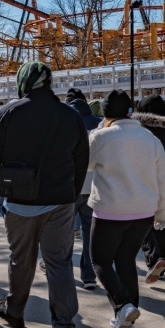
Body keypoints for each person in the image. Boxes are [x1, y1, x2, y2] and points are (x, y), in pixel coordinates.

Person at [0, 61, 89, 328]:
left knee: (20, 258)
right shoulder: (71, 115)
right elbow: (81, 160)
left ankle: (14, 311)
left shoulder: (8, 112)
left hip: (20, 200)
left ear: (23, 82)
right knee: (59, 263)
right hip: (61, 202)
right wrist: (71, 195)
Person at [88, 90, 165, 328]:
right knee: (125, 261)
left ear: (106, 113)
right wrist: (162, 214)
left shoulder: (101, 137)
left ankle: (123, 305)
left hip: (110, 210)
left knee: (100, 260)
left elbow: (85, 164)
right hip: (144, 212)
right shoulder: (150, 138)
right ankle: (127, 318)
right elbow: (162, 179)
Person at [134, 93, 165, 283]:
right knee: (164, 223)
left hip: (147, 179)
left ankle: (154, 259)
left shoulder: (140, 130)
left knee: (142, 221)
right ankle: (160, 266)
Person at [66, 88, 102, 290]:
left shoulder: (63, 121)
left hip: (69, 186)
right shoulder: (99, 123)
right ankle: (89, 276)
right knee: (89, 233)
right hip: (93, 187)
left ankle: (63, 271)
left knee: (64, 232)